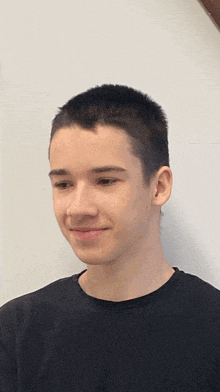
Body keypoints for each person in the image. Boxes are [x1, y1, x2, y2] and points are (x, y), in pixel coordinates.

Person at [0, 84, 220, 391]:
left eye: (105, 180)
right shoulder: (16, 331)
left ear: (159, 187)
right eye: (63, 184)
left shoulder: (212, 326)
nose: (77, 208)